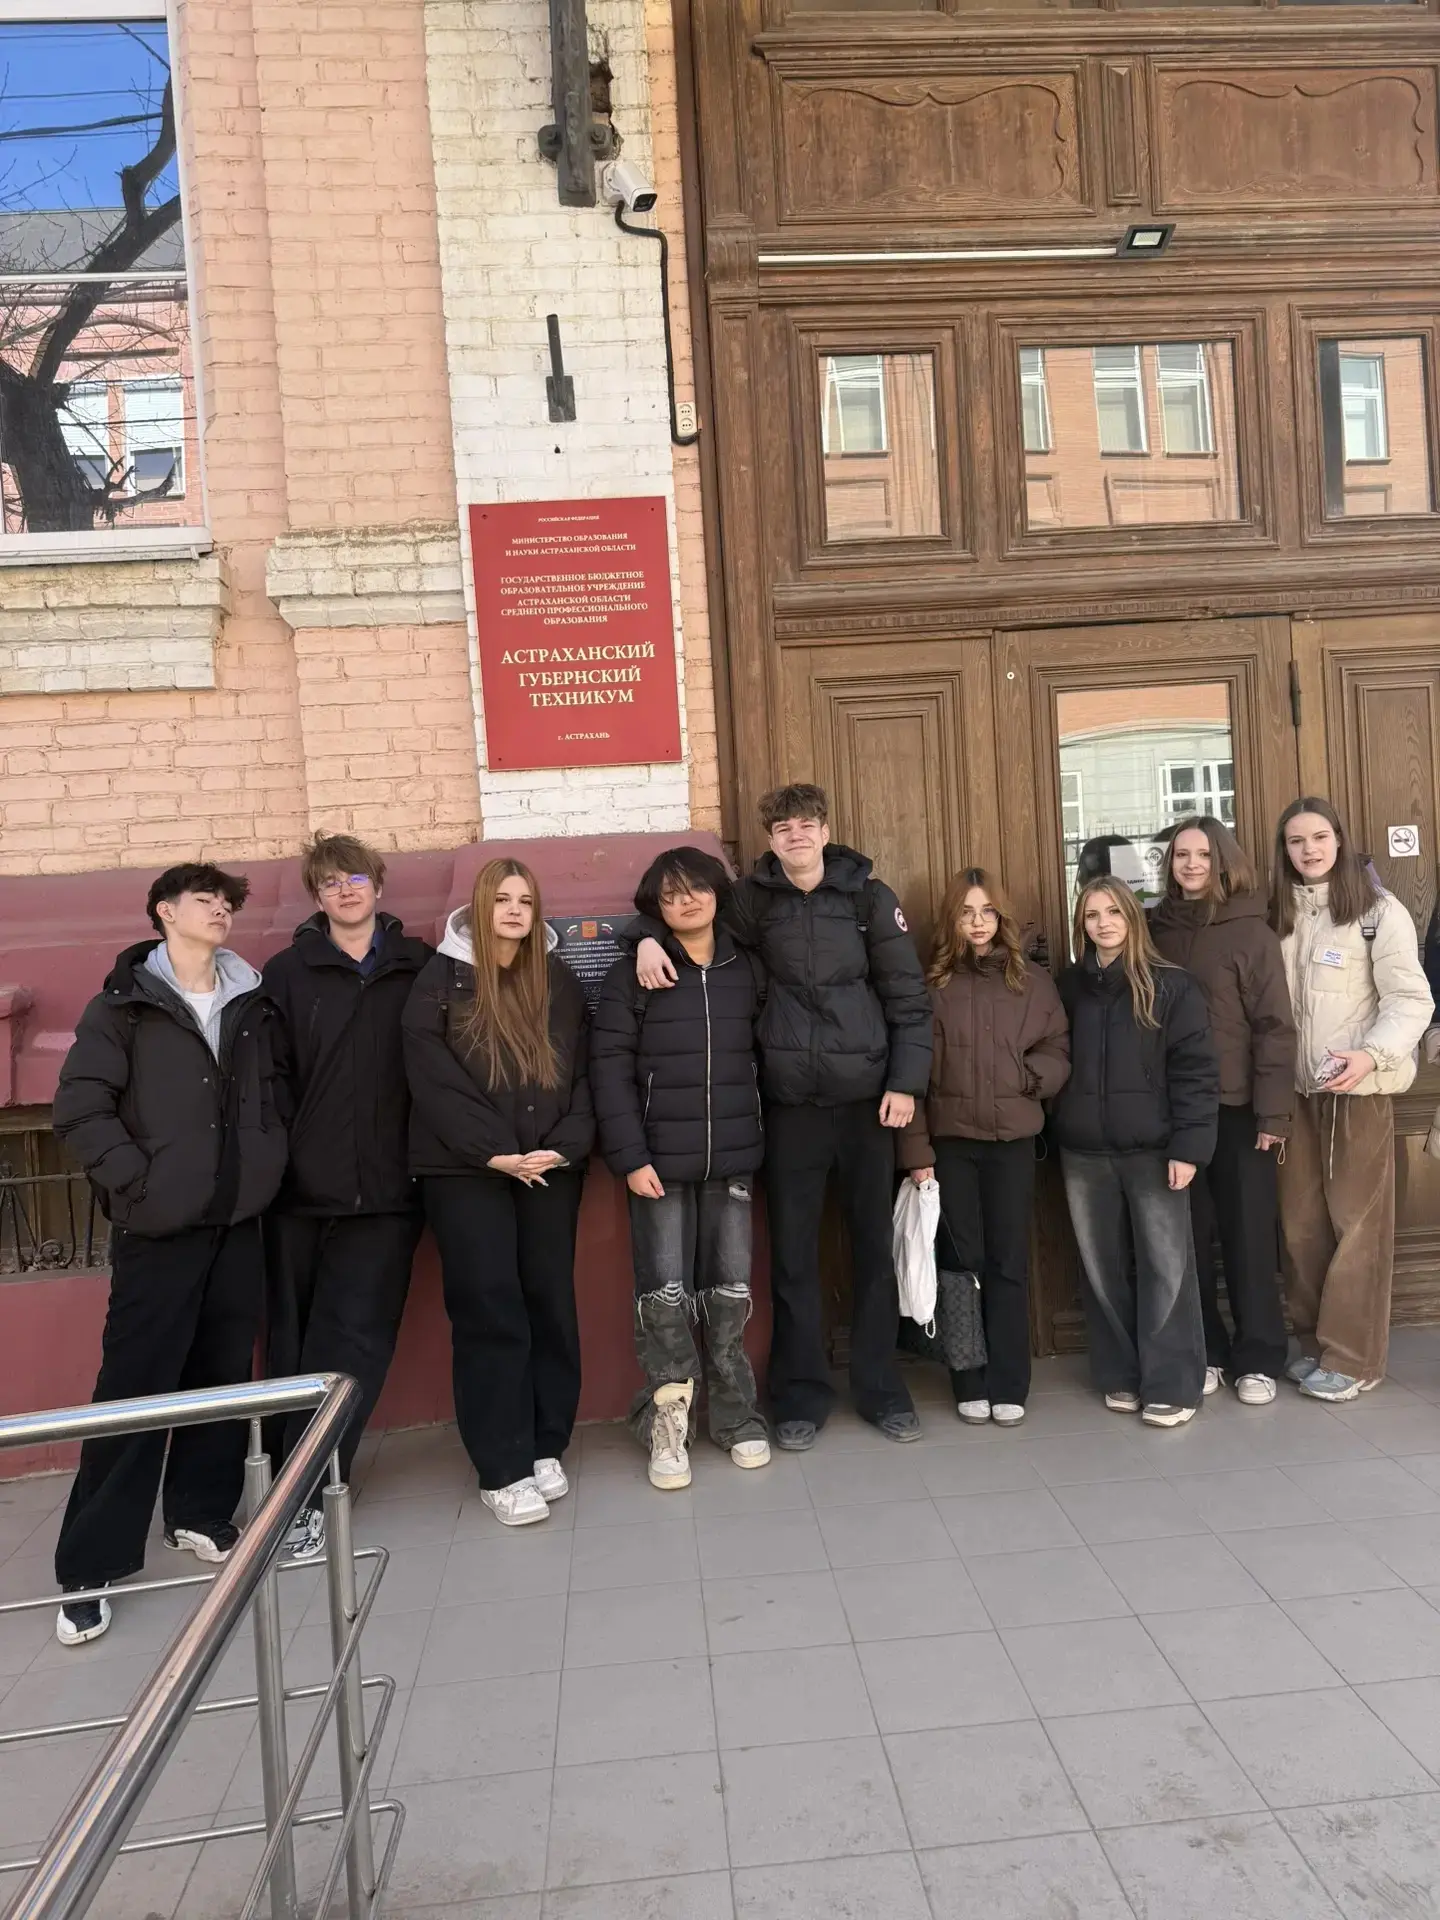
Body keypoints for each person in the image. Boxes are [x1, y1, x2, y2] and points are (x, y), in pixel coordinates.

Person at [636, 785, 932, 1451]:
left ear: (824, 830)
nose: (795, 835)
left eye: (805, 824)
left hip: (867, 1103)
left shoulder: (867, 898)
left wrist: (906, 1082)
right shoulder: (751, 899)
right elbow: (687, 918)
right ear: (770, 839)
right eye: (782, 827)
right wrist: (647, 938)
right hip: (791, 1104)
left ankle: (882, 1390)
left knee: (872, 1251)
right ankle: (800, 1395)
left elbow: (908, 997)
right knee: (794, 1257)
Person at [49, 865, 288, 1645]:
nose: (220, 910)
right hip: (157, 1230)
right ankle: (89, 1568)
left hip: (237, 1221)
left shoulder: (250, 1001)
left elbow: (274, 1096)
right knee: (134, 1389)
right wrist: (138, 1184)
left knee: (221, 1376)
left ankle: (199, 1515)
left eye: (228, 902)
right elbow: (80, 1108)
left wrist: (266, 1164)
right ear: (164, 912)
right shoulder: (123, 1007)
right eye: (204, 900)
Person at [403, 859, 593, 1526]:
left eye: (526, 901)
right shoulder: (440, 979)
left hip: (546, 1168)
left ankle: (544, 1444)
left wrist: (565, 1144)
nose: (514, 911)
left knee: (549, 1302)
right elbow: (432, 1079)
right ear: (480, 908)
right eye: (502, 899)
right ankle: (501, 1466)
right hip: (467, 1172)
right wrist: (493, 1151)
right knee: (490, 1310)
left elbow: (583, 1072)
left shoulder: (557, 979)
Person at [259, 834, 432, 1560]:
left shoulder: (419, 966)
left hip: (389, 1192)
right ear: (317, 895)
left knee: (355, 1345)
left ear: (378, 886)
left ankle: (315, 1492)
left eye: (356, 877)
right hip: (301, 1193)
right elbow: (267, 1080)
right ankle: (283, 1483)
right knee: (294, 1346)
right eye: (330, 881)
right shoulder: (286, 972)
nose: (345, 889)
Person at [591, 846, 769, 1490]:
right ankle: (667, 1424)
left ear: (718, 893)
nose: (686, 902)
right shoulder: (632, 976)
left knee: (730, 1294)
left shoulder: (748, 967)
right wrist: (630, 1157)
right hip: (658, 1165)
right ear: (655, 907)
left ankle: (736, 1417)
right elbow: (608, 1069)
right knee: (664, 1297)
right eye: (670, 895)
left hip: (734, 1158)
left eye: (696, 889)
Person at [1271, 798, 1432, 1401]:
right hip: (1294, 1095)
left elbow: (1411, 1001)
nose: (1308, 850)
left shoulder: (1377, 912)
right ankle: (1316, 1346)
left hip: (1357, 1093)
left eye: (1319, 837)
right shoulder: (1274, 915)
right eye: (1295, 841)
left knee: (1358, 1228)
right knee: (1300, 1229)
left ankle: (1355, 1358)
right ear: (1284, 850)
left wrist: (1370, 1056)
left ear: (1339, 840)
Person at [897, 867, 1070, 1428]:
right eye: (966, 912)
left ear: (1002, 916)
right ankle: (968, 1376)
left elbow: (1058, 1048)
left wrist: (1029, 1077)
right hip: (950, 1145)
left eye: (987, 911)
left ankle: (1010, 1380)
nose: (977, 922)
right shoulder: (932, 985)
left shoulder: (1032, 982)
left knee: (1009, 1261)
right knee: (960, 1263)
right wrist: (917, 1153)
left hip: (1013, 1142)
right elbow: (911, 1074)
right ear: (952, 919)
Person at [1053, 878, 1219, 1428]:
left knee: (1166, 1268)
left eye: (1113, 913)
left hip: (1155, 1149)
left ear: (1132, 918)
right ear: (1081, 924)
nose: (1103, 923)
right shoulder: (1068, 987)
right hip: (1084, 1151)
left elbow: (1196, 1072)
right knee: (1102, 1268)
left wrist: (1188, 1148)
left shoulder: (1172, 986)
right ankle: (1120, 1373)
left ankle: (1173, 1384)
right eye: (1092, 914)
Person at [1149, 817, 1295, 1407]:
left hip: (1238, 1110)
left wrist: (1273, 1115)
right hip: (1174, 1112)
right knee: (1187, 1239)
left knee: (1248, 1238)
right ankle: (1205, 1350)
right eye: (1181, 855)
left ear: (1223, 861)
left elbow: (1275, 1027)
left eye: (1203, 854)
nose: (1191, 864)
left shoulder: (1251, 931)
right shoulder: (1151, 928)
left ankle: (1258, 1357)